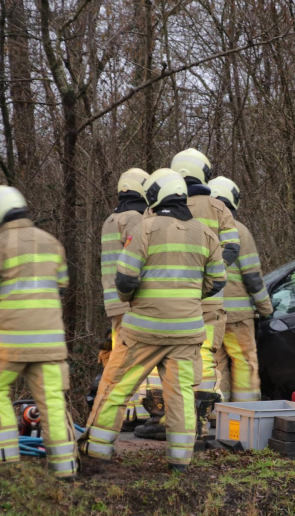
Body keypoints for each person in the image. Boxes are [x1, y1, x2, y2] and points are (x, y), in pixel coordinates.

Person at [80, 169, 225, 473]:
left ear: (156, 195)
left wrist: (132, 299)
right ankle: (180, 461)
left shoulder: (144, 229)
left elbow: (125, 278)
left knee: (115, 386)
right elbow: (218, 282)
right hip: (186, 332)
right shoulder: (207, 233)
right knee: (181, 395)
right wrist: (188, 297)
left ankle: (96, 451)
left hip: (143, 331)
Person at [0, 186, 78, 480]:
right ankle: (66, 471)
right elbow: (62, 286)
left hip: (9, 346)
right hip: (51, 345)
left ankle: (6, 466)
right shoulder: (52, 243)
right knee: (54, 402)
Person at [136, 148, 240, 439]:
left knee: (162, 358)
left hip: (161, 304)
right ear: (203, 173)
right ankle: (198, 423)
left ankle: (161, 420)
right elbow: (232, 247)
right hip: (207, 300)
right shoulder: (219, 208)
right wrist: (206, 276)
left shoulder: (153, 207)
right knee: (204, 358)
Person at [209, 177, 273, 401]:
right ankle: (245, 414)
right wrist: (266, 309)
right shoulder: (239, 231)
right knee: (245, 362)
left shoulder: (199, 228)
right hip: (237, 317)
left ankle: (216, 413)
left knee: (215, 364)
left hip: (208, 314)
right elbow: (252, 277)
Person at [99, 168, 150, 429]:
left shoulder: (111, 219)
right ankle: (134, 411)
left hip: (114, 302)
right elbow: (138, 261)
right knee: (133, 357)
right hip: (131, 301)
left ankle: (127, 410)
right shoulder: (133, 219)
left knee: (121, 354)